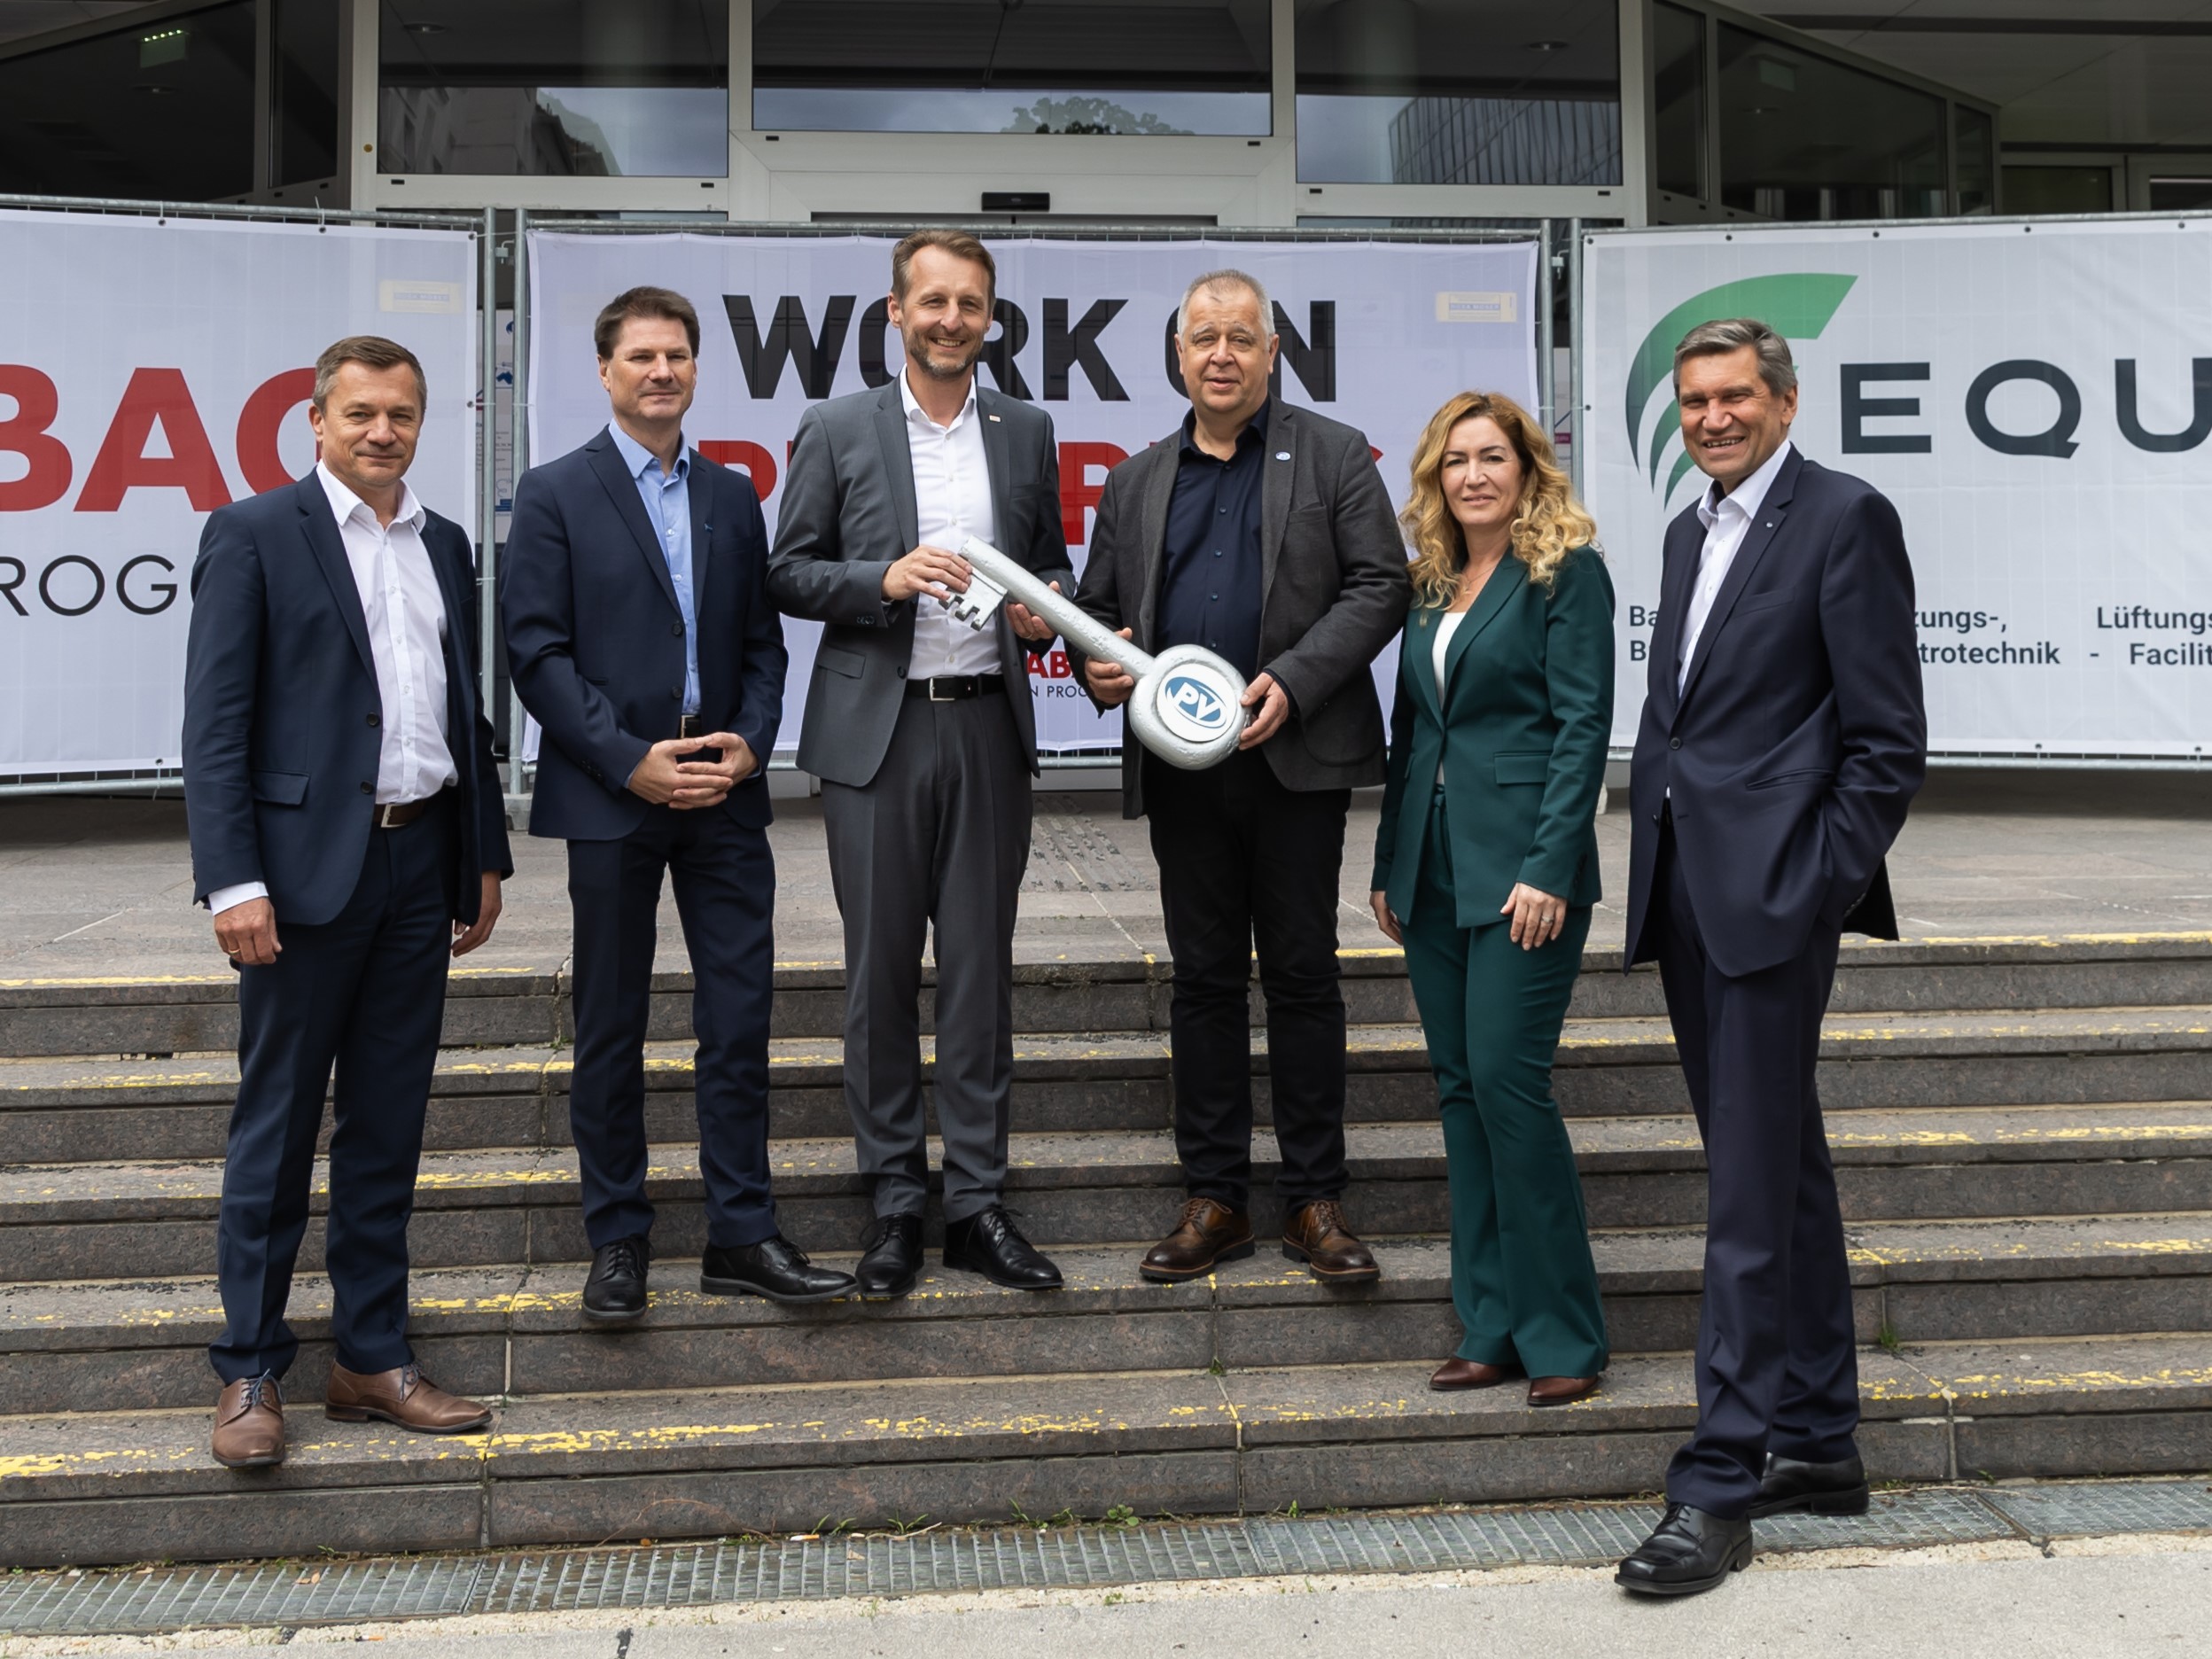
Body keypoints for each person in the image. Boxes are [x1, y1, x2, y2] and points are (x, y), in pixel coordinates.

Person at [1613, 319, 1926, 1596]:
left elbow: (1887, 742)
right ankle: (1823, 1438)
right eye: (1694, 401)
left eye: (1736, 396)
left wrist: (1813, 885)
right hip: (1687, 888)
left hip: (1770, 899)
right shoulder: (1695, 528)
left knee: (1744, 1196)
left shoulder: (1847, 518)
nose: (1712, 417)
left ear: (1786, 402)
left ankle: (1720, 1479)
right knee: (1779, 1166)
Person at [183, 335, 510, 1468]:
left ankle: (370, 1357)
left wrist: (484, 856)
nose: (383, 432)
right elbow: (215, 726)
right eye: (361, 413)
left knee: (386, 1127)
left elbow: (460, 716)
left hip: (419, 871)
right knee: (274, 1131)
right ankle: (250, 1370)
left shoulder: (447, 545)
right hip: (298, 882)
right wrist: (233, 879)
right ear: (316, 422)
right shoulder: (255, 534)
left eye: (403, 415)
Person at [502, 286, 853, 1321]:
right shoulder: (555, 492)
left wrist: (749, 743)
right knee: (610, 1024)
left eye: (678, 357)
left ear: (697, 370)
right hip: (618, 795)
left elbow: (760, 645)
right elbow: (536, 652)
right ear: (606, 373)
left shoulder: (735, 495)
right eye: (641, 357)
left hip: (725, 795)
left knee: (738, 1021)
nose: (662, 372)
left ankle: (742, 1233)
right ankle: (618, 1239)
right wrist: (628, 760)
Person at [1077, 269, 1409, 1286]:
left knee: (1305, 978)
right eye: (1202, 337)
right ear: (1178, 356)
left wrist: (1295, 684)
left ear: (1273, 353)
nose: (1221, 354)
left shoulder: (1335, 455)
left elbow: (1381, 583)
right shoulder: (1135, 480)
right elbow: (1101, 611)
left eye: (1242, 337)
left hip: (1297, 761)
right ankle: (1214, 1196)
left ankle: (1315, 1200)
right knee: (1205, 982)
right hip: (1187, 773)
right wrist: (1099, 668)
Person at [767, 230, 1072, 1298]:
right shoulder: (838, 425)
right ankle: (897, 1198)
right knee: (880, 974)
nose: (952, 319)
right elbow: (788, 571)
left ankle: (978, 1203)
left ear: (991, 319)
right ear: (895, 313)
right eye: (932, 301)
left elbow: (1053, 569)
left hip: (988, 728)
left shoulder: (1024, 429)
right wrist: (882, 579)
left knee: (982, 976)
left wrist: (1045, 618)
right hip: (878, 738)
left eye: (972, 304)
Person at [1367, 391, 1612, 1409]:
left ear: (1526, 470)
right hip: (1431, 873)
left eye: (1491, 458)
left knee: (1511, 1090)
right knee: (1461, 1094)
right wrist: (1389, 862)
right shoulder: (1432, 581)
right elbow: (1412, 736)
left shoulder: (1567, 570)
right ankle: (1491, 1325)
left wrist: (1552, 865)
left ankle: (1564, 1335)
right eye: (1455, 461)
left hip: (1524, 874)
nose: (1473, 475)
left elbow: (1583, 725)